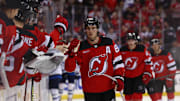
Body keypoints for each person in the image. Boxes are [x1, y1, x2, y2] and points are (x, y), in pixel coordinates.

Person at [65, 17, 125, 101]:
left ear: (97, 29)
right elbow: (69, 69)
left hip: (108, 90)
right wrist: (71, 54)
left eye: (93, 28)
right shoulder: (81, 47)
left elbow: (118, 62)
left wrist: (119, 77)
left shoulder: (109, 43)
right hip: (90, 92)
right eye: (88, 28)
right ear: (85, 30)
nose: (90, 31)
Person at [120, 32, 153, 101]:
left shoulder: (142, 49)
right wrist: (119, 75)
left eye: (132, 40)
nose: (131, 42)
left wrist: (148, 73)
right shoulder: (122, 50)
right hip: (127, 77)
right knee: (128, 97)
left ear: (136, 41)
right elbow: (119, 63)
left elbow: (148, 62)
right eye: (129, 40)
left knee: (137, 96)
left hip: (139, 77)